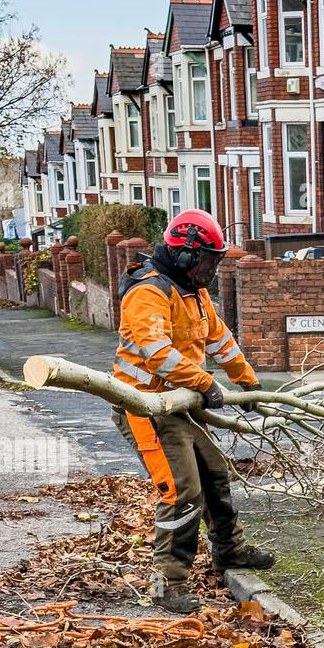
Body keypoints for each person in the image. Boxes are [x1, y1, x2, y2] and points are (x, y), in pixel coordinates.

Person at [112, 209, 274, 614]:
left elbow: (221, 340)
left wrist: (247, 382)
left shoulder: (194, 293)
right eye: (208, 260)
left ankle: (229, 551)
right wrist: (205, 383)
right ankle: (168, 582)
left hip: (176, 405)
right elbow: (157, 354)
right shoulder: (147, 292)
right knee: (182, 491)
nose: (212, 270)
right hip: (144, 406)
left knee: (215, 473)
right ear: (185, 255)